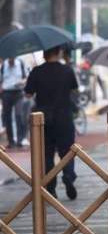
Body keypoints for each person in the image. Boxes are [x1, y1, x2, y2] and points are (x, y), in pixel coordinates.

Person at [24, 45, 78, 200]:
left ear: (44, 54)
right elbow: (74, 90)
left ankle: (50, 187)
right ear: (58, 52)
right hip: (64, 117)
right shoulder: (67, 70)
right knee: (67, 151)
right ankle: (68, 176)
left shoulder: (37, 71)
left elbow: (28, 94)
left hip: (43, 119)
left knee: (46, 154)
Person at [0, 57, 28, 149]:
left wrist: (21, 82)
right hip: (6, 93)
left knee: (19, 114)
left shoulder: (20, 63)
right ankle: (11, 141)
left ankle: (20, 140)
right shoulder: (4, 65)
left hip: (18, 92)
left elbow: (25, 78)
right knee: (7, 116)